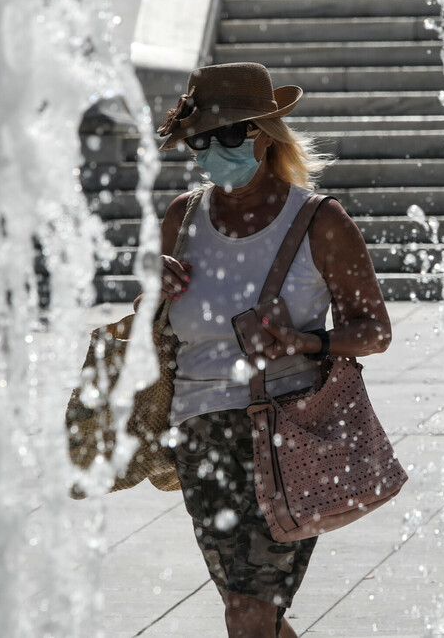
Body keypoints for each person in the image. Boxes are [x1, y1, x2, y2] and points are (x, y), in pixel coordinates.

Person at [152, 62, 392, 638]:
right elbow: (161, 326)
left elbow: (375, 330)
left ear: (266, 135)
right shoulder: (181, 218)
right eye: (203, 139)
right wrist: (152, 295)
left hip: (283, 437)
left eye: (232, 134)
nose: (216, 149)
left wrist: (309, 340)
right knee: (252, 611)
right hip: (197, 435)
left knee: (248, 614)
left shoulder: (319, 220)